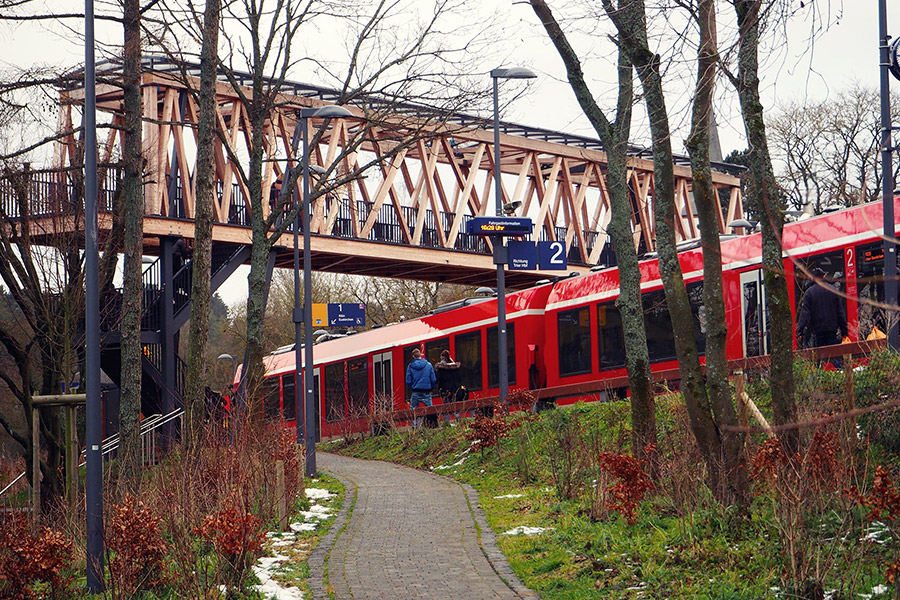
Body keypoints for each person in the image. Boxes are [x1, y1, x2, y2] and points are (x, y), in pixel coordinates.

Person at [796, 268, 848, 366]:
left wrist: (799, 331)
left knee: (817, 358)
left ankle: (818, 375)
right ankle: (840, 371)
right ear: (823, 276)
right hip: (831, 330)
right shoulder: (833, 290)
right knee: (833, 355)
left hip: (817, 331)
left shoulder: (809, 293)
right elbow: (840, 313)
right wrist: (844, 331)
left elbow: (805, 315)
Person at [405, 348, 436, 429]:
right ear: (420, 355)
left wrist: (413, 387)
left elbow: (408, 380)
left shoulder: (410, 366)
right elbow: (433, 379)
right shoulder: (428, 365)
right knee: (430, 410)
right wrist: (430, 389)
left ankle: (414, 429)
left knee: (413, 410)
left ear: (413, 356)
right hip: (426, 391)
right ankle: (432, 427)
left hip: (416, 391)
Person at [435, 350, 463, 422]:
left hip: (445, 390)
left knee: (446, 408)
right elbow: (459, 378)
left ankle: (447, 423)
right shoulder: (455, 367)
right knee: (454, 406)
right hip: (455, 390)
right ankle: (458, 420)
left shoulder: (441, 368)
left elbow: (438, 378)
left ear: (442, 357)